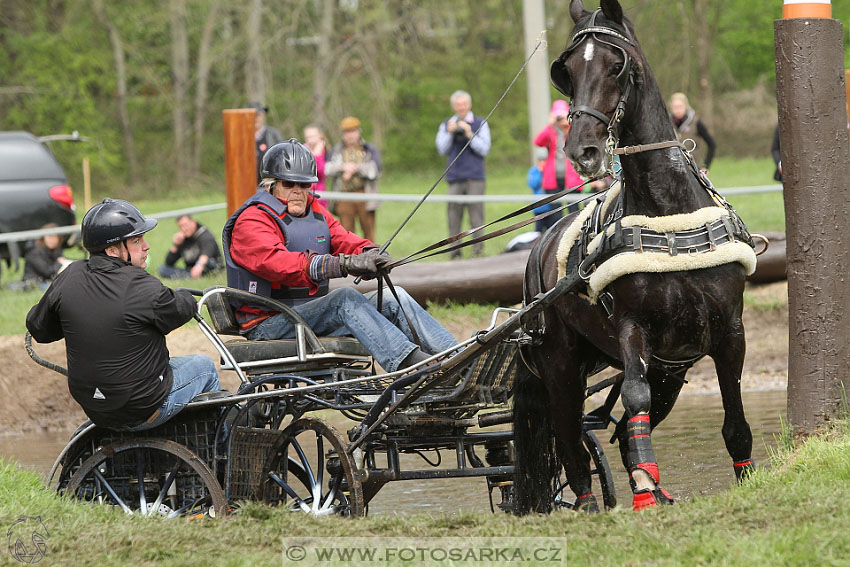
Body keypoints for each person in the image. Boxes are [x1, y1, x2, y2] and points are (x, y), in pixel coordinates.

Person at [223, 139, 458, 373]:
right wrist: (340, 265)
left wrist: (370, 253)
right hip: (269, 323)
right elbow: (277, 263)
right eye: (289, 183)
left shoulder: (314, 211)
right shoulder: (252, 220)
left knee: (394, 298)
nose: (298, 191)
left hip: (307, 314)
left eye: (304, 185)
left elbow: (344, 239)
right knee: (344, 299)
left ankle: (460, 359)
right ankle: (418, 365)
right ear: (270, 185)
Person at [26, 199, 221, 431]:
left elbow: (39, 329)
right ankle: (217, 457)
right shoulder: (140, 284)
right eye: (137, 240)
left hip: (95, 409)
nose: (146, 246)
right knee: (205, 366)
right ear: (112, 250)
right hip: (143, 406)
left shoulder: (71, 274)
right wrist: (186, 297)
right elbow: (179, 310)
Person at [435, 90, 491, 259]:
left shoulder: (480, 123)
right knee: (453, 216)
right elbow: (441, 149)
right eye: (458, 105)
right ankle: (454, 252)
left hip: (475, 176)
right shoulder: (446, 124)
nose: (461, 107)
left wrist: (469, 133)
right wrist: (450, 133)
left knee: (476, 215)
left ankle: (478, 250)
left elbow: (485, 148)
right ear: (453, 106)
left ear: (470, 105)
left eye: (464, 104)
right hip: (455, 177)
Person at [325, 117, 381, 242]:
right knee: (346, 233)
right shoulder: (336, 150)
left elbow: (375, 170)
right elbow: (327, 169)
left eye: (353, 131)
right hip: (344, 196)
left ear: (358, 132)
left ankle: (372, 257)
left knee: (369, 231)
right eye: (347, 132)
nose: (350, 135)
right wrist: (343, 167)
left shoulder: (368, 149)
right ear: (343, 134)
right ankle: (349, 258)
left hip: (364, 194)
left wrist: (355, 168)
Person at [533, 100, 584, 218]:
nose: (561, 120)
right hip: (553, 178)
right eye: (558, 117)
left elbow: (579, 141)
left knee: (574, 212)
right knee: (555, 214)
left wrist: (569, 126)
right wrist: (550, 125)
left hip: (572, 178)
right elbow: (538, 142)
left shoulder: (573, 129)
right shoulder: (551, 131)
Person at [157, 214, 223, 280]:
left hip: (208, 265)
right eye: (181, 226)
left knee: (209, 262)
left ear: (193, 222)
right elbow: (169, 263)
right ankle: (191, 276)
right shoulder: (183, 238)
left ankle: (193, 276)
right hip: (191, 270)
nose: (184, 229)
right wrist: (176, 245)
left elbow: (206, 254)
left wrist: (199, 266)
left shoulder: (204, 234)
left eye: (185, 225)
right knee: (162, 269)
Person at [669, 92, 717, 173]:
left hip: (693, 169)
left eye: (680, 106)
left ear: (686, 106)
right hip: (672, 169)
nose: (677, 110)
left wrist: (705, 166)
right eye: (675, 107)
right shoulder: (666, 123)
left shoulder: (695, 122)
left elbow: (712, 144)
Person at [20, 224, 72, 288]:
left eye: (55, 237)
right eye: (50, 237)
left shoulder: (56, 250)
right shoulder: (34, 252)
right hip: (34, 283)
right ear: (43, 238)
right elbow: (47, 272)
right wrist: (60, 263)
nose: (52, 240)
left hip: (47, 281)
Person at [249, 101, 283, 183]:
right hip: (247, 185)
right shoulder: (242, 136)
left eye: (258, 115)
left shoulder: (274, 135)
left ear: (263, 116)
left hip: (268, 184)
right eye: (252, 115)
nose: (255, 118)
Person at [304, 124, 330, 207]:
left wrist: (317, 155)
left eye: (312, 136)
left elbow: (320, 172)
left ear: (320, 136)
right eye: (307, 137)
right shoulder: (303, 150)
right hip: (305, 190)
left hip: (319, 193)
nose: (310, 140)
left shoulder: (325, 152)